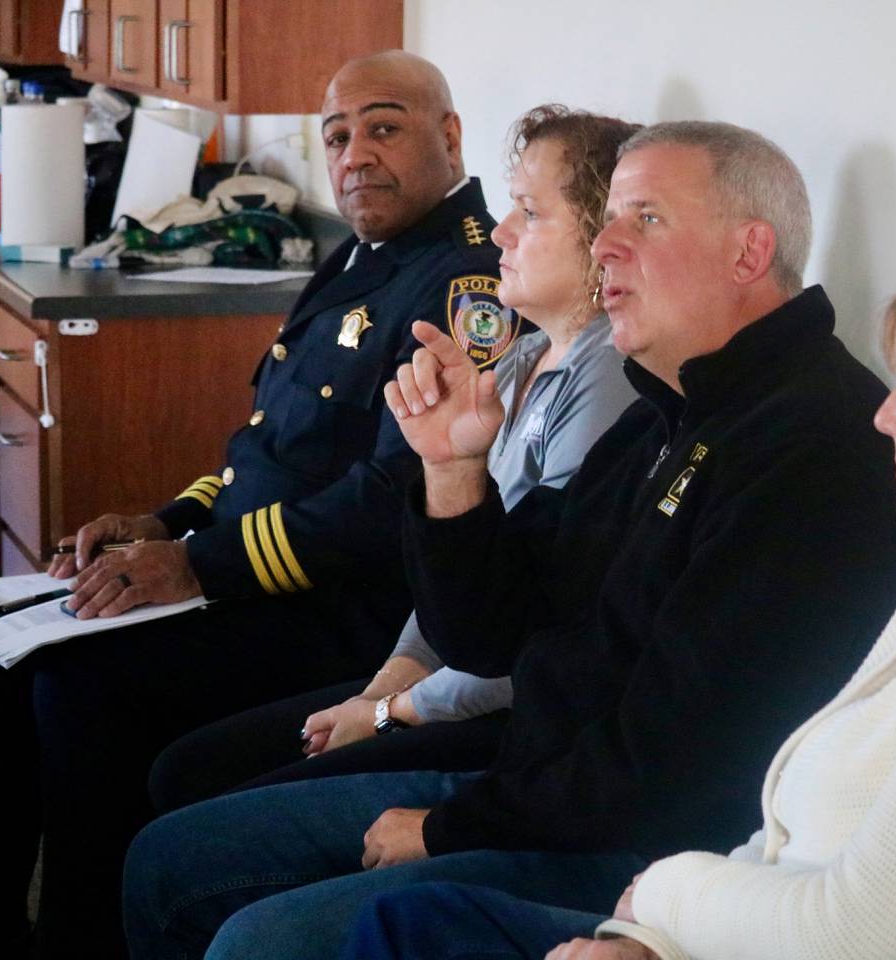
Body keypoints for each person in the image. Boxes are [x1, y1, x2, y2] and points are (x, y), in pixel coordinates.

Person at [122, 120, 896, 960]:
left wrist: (447, 827)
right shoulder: (674, 407)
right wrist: (452, 471)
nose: (607, 245)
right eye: (610, 218)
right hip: (542, 783)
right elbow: (487, 633)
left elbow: (674, 766)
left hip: (650, 852)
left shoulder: (814, 448)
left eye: (646, 219)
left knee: (258, 943)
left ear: (748, 251)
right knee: (169, 859)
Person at [331, 238, 896, 960]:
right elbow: (787, 838)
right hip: (702, 915)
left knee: (389, 931)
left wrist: (659, 894)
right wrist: (648, 937)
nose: (885, 417)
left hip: (702, 895)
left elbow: (860, 929)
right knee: (413, 922)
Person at [0, 51, 521, 960]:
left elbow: (390, 500)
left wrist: (196, 563)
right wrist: (168, 521)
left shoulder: (466, 282)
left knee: (74, 689)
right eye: (337, 137)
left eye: (384, 127)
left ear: (449, 137)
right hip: (248, 567)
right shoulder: (359, 255)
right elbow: (265, 450)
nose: (355, 156)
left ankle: (82, 939)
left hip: (344, 609)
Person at [144, 105, 643, 814]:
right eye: (338, 136)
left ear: (602, 237)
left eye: (529, 213)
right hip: (439, 677)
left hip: (510, 723)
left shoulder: (608, 380)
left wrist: (388, 714)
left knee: (193, 795)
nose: (502, 232)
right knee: (186, 770)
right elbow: (455, 586)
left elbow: (540, 634)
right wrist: (386, 685)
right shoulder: (520, 356)